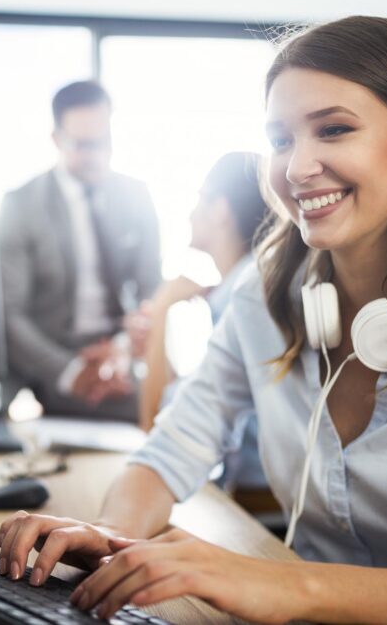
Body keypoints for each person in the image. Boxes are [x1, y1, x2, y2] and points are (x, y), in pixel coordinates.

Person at [0, 16, 387, 624]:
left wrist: (292, 587)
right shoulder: (263, 294)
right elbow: (170, 449)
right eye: (280, 139)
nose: (298, 168)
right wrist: (110, 536)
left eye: (333, 129)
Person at [0, 81, 161, 422]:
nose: (97, 156)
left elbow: (151, 290)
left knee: (162, 405)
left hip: (118, 351)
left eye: (105, 142)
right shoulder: (21, 205)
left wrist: (120, 350)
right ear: (57, 140)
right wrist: (72, 371)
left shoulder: (136, 195)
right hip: (53, 358)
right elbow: (9, 314)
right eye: (84, 145)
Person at [137, 152, 275, 513]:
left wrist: (162, 309)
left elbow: (154, 424)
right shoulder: (245, 286)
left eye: (200, 198)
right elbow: (185, 402)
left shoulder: (242, 296)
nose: (189, 213)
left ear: (221, 209)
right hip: (250, 501)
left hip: (258, 509)